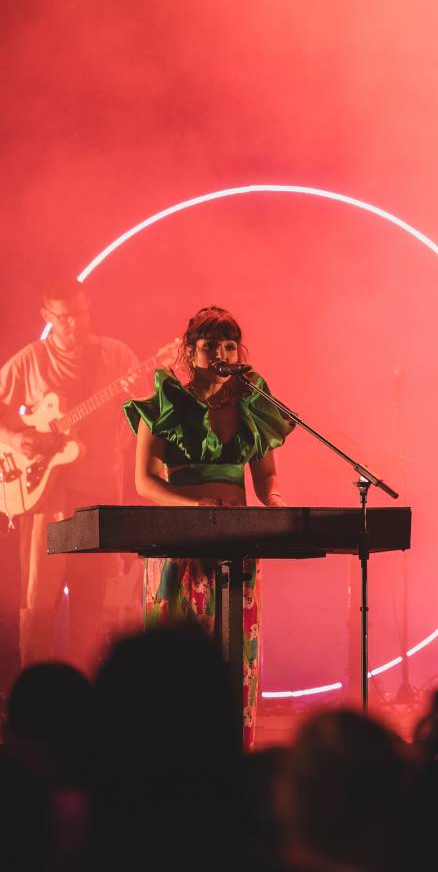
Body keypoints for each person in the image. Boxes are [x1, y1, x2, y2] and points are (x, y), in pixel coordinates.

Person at [122, 305, 292, 744]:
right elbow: (144, 482)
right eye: (210, 345)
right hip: (181, 542)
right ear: (190, 349)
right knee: (179, 657)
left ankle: (234, 751)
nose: (221, 353)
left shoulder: (252, 404)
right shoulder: (166, 401)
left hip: (237, 541)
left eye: (229, 345)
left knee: (234, 651)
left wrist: (273, 498)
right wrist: (197, 503)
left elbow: (264, 474)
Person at [0, 280, 143, 669]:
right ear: (47, 317)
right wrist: (18, 437)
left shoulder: (116, 356)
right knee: (39, 600)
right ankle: (35, 695)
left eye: (79, 315)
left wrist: (138, 394)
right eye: (63, 318)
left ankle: (82, 690)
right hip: (44, 495)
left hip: (98, 493)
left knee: (92, 599)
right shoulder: (29, 361)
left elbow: (146, 414)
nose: (73, 325)